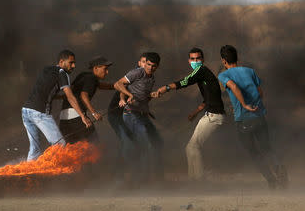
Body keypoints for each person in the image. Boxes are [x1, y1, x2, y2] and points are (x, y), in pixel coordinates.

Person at [217, 45, 288, 189]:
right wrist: (250, 103)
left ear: (224, 61)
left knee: (254, 153)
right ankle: (279, 168)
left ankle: (272, 182)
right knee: (267, 148)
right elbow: (260, 93)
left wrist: (243, 105)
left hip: (243, 120)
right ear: (237, 58)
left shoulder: (224, 75)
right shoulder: (250, 71)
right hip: (259, 117)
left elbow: (235, 87)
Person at [156, 47, 225, 180]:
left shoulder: (201, 70)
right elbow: (209, 98)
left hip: (214, 116)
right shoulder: (203, 74)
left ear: (202, 60)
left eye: (198, 59)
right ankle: (194, 179)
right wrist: (196, 112)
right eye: (193, 59)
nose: (195, 61)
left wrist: (165, 88)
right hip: (211, 114)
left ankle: (198, 179)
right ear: (189, 61)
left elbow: (185, 81)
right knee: (190, 147)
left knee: (193, 146)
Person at [22, 50, 88, 161]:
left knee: (35, 148)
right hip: (40, 113)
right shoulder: (63, 73)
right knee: (60, 145)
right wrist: (82, 116)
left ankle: (29, 174)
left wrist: (58, 97)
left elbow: (44, 91)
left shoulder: (46, 69)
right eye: (71, 63)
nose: (74, 66)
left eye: (74, 63)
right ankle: (57, 171)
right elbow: (70, 96)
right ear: (62, 61)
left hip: (26, 111)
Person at [108, 53, 163, 181]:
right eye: (148, 64)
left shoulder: (152, 78)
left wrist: (152, 95)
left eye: (153, 66)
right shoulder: (137, 73)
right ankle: (139, 180)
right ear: (145, 63)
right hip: (131, 114)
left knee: (157, 142)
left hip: (142, 115)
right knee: (142, 144)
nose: (150, 68)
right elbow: (118, 84)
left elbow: (143, 96)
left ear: (157, 67)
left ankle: (143, 177)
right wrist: (128, 95)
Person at [59, 56, 114, 144]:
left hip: (63, 119)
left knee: (73, 150)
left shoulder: (84, 76)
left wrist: (116, 85)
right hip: (76, 118)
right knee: (94, 146)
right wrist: (94, 113)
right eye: (105, 69)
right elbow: (83, 95)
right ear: (96, 68)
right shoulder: (91, 78)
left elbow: (100, 85)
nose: (107, 72)